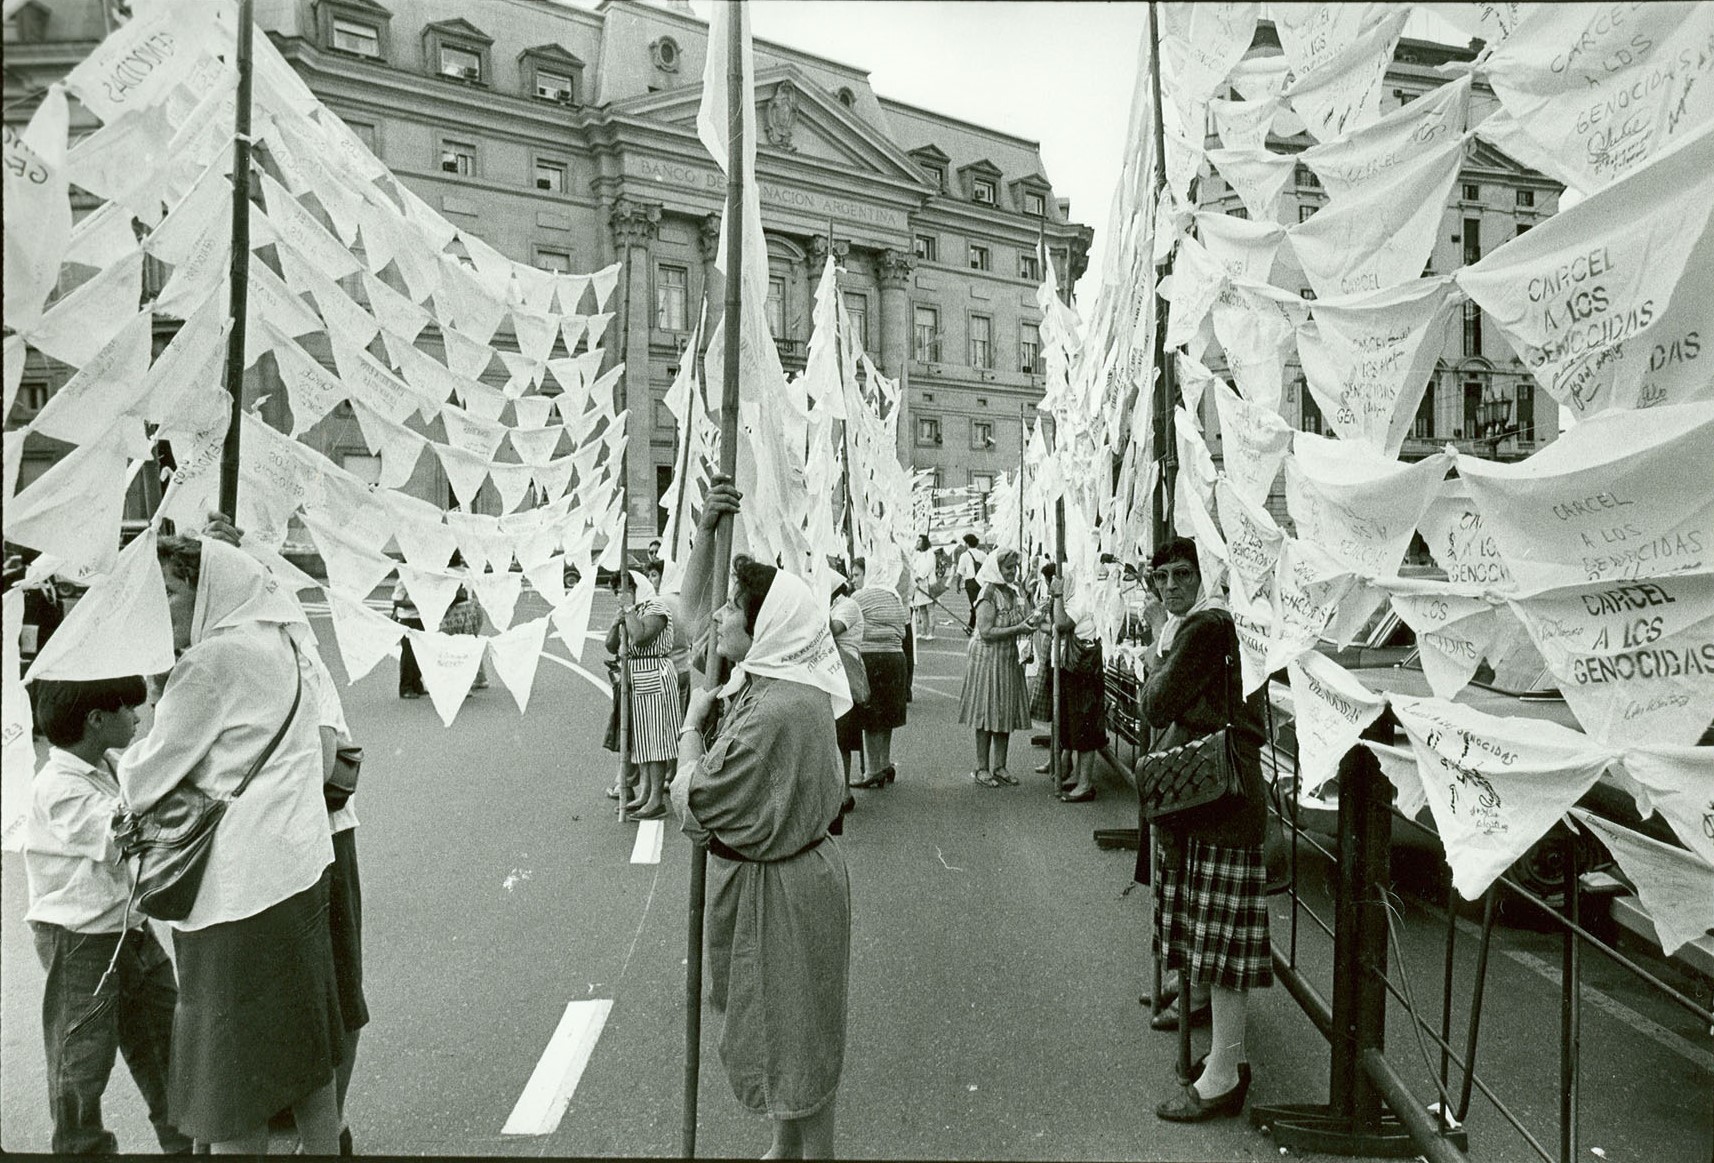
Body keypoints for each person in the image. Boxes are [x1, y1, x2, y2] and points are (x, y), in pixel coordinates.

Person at [119, 536, 343, 1153]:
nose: (161, 605)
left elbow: (143, 781)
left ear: (207, 589)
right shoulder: (281, 641)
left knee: (229, 1077)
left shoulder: (211, 662)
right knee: (305, 1053)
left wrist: (141, 724)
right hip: (299, 870)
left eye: (171, 590)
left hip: (236, 896)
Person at [670, 480, 851, 1160]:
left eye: (734, 613)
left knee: (798, 1030)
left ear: (763, 626)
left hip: (786, 890)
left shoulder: (774, 711)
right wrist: (707, 534)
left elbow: (695, 798)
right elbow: (695, 618)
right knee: (792, 1026)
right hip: (795, 875)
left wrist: (691, 725)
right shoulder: (773, 672)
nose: (721, 621)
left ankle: (817, 1155)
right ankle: (787, 1145)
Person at [24, 677, 194, 1156]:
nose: (137, 719)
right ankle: (81, 1148)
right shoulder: (57, 786)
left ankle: (185, 1143)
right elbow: (120, 831)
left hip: (129, 927)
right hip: (79, 939)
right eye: (128, 709)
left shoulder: (112, 763)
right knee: (82, 1060)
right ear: (96, 720)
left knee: (167, 1041)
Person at [1135, 537, 1270, 1123]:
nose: (1170, 586)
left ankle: (1224, 1075)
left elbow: (1156, 702)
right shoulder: (1205, 623)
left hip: (1220, 799)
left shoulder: (1205, 627)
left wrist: (1151, 667)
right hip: (1212, 793)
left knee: (1219, 942)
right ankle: (1218, 1056)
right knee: (1211, 933)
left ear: (1203, 573)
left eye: (1182, 573)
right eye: (1160, 576)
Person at [958, 547, 1039, 787]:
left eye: (1015, 568)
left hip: (1007, 658)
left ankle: (1000, 766)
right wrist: (1018, 629)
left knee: (1004, 712)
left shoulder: (1013, 592)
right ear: (997, 568)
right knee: (986, 713)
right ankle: (982, 768)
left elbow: (1025, 616)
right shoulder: (988, 593)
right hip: (987, 659)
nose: (1013, 572)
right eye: (1008, 568)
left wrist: (1034, 603)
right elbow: (986, 631)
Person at [604, 569, 679, 820]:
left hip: (655, 673)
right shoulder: (632, 611)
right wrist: (618, 621)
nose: (619, 596)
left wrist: (628, 612)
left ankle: (656, 800)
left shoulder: (655, 608)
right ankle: (646, 794)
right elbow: (611, 645)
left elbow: (640, 637)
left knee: (656, 740)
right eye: (616, 592)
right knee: (643, 743)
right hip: (636, 677)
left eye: (623, 590)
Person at [1046, 572, 1108, 803]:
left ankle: (1085, 784)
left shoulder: (1080, 600)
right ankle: (1080, 778)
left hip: (1084, 668)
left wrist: (1058, 596)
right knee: (1075, 724)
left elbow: (1061, 624)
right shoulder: (1073, 600)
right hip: (1075, 668)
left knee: (1084, 725)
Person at [848, 556, 909, 790]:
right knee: (886, 718)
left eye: (856, 575)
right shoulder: (893, 595)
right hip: (895, 657)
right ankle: (883, 763)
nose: (853, 580)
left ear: (868, 575)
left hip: (871, 658)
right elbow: (903, 628)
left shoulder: (859, 598)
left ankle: (872, 770)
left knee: (871, 718)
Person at [826, 568, 867, 785]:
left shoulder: (848, 606)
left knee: (842, 736)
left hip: (845, 672)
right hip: (832, 674)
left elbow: (833, 629)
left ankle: (844, 793)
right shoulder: (835, 605)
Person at [390, 577, 425, 699]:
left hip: (422, 618)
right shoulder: (403, 579)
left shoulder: (422, 576)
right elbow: (397, 601)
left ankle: (417, 683)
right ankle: (406, 687)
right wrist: (416, 603)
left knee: (419, 653)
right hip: (408, 619)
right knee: (409, 654)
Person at [909, 534, 938, 641]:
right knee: (922, 609)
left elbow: (927, 568)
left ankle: (931, 632)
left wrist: (919, 576)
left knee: (930, 609)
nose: (918, 543)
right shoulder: (918, 554)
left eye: (920, 541)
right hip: (919, 585)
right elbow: (913, 565)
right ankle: (923, 631)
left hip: (928, 583)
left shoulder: (930, 553)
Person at [955, 533, 985, 633]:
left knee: (974, 606)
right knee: (978, 604)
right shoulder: (982, 554)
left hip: (971, 583)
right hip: (982, 582)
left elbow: (960, 572)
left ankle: (974, 628)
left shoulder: (964, 555)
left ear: (967, 544)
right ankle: (972, 627)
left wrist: (957, 585)